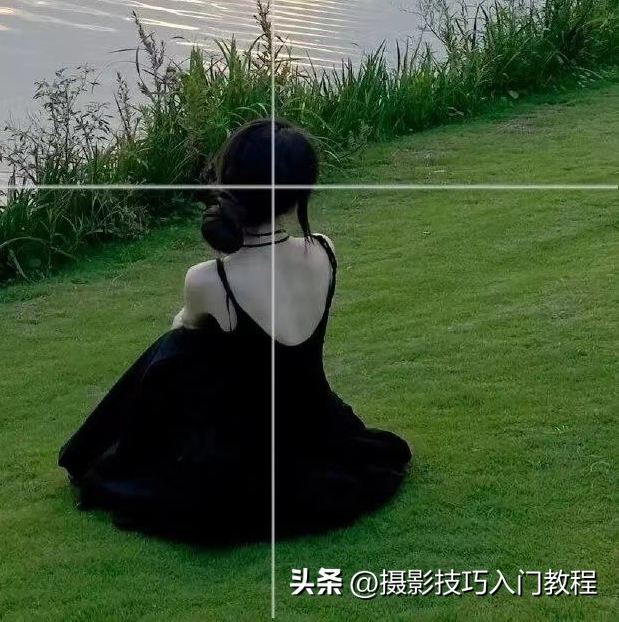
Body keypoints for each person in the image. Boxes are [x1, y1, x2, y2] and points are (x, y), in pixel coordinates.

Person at [58, 118, 411, 543]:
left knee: (176, 342)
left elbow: (183, 331)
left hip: (251, 448)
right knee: (204, 341)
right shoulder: (323, 250)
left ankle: (110, 449)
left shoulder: (211, 279)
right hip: (317, 425)